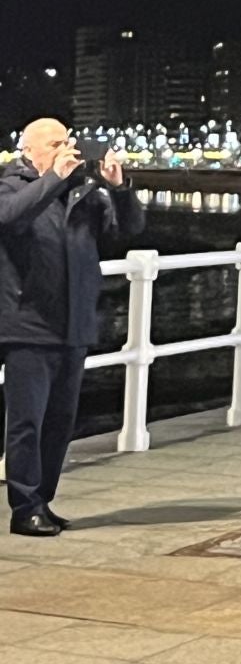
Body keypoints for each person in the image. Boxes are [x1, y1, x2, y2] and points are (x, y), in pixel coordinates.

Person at [0, 120, 143, 538]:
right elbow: (10, 218)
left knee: (61, 420)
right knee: (26, 421)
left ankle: (43, 500)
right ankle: (24, 506)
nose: (67, 150)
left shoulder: (85, 194)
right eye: (56, 143)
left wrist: (119, 187)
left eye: (69, 142)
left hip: (74, 323)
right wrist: (52, 178)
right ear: (30, 151)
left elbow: (128, 230)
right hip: (27, 324)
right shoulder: (12, 186)